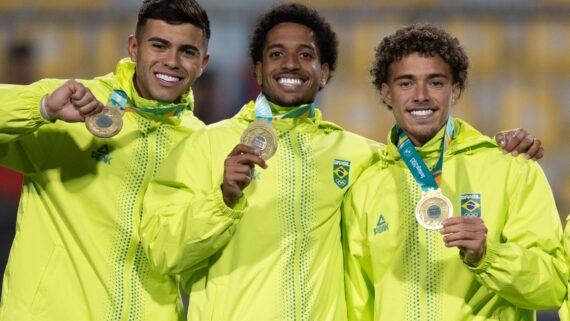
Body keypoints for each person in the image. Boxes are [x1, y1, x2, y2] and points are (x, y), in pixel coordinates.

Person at [139, 4, 543, 321]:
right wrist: (221, 199)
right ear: (258, 70)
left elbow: (428, 154)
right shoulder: (203, 146)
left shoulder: (362, 158)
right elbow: (163, 255)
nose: (291, 64)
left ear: (325, 72)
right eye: (276, 54)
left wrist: (498, 147)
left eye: (306, 55)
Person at [341, 23, 567, 321]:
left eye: (435, 82)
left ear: (455, 90)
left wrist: (488, 256)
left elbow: (552, 288)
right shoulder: (365, 187)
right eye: (406, 83)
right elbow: (359, 306)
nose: (421, 95)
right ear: (386, 93)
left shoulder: (512, 168)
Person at [0, 0, 210, 320]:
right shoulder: (73, 103)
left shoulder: (202, 142)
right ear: (134, 48)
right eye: (159, 45)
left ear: (203, 62)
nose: (172, 61)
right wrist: (41, 109)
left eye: (187, 51)